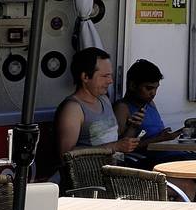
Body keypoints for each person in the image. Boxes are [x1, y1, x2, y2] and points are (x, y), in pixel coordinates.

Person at [48, 47, 139, 181]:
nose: (110, 81)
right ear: (85, 77)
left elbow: (111, 138)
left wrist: (132, 128)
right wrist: (115, 147)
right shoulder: (73, 109)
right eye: (104, 76)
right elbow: (65, 156)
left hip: (114, 173)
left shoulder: (104, 99)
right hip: (89, 179)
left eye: (110, 75)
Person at [112, 59, 196, 198]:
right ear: (133, 85)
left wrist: (167, 136)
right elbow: (121, 149)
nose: (153, 93)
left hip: (165, 154)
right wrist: (159, 139)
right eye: (149, 88)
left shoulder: (149, 104)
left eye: (156, 88)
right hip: (145, 161)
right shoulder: (123, 107)